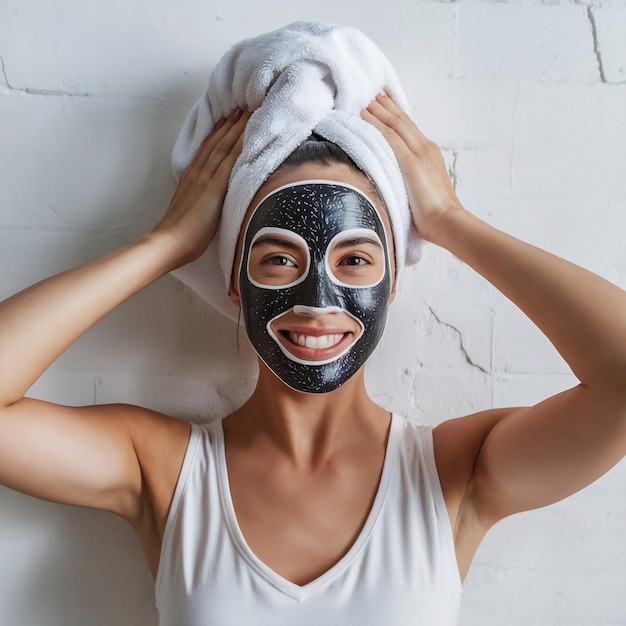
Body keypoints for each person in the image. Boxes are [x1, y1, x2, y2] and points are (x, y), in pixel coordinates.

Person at [0, 93, 625, 625]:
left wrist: (447, 219)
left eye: (355, 258)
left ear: (393, 283)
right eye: (279, 259)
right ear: (236, 281)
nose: (318, 300)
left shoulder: (454, 472)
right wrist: (165, 243)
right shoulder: (163, 468)